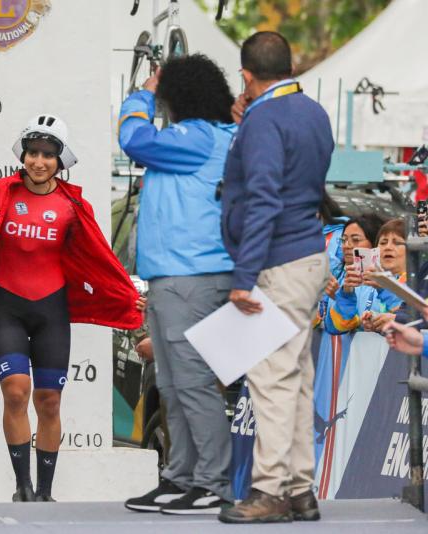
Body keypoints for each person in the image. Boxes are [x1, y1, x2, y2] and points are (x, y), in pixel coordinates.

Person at [0, 114, 143, 502]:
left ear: (61, 161)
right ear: (22, 155)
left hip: (51, 311)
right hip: (6, 307)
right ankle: (22, 487)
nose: (38, 161)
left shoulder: (72, 204)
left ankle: (45, 492)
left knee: (49, 400)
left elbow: (100, 257)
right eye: (32, 153)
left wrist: (126, 293)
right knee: (15, 392)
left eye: (47, 154)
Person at [216, 32, 334, 524]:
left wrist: (244, 276)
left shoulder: (265, 119)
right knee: (298, 376)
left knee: (271, 378)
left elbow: (264, 197)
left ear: (246, 76)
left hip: (277, 262)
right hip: (307, 253)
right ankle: (301, 489)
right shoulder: (314, 111)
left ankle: (268, 491)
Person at [118, 54, 236, 515]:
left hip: (192, 277)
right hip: (176, 277)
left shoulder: (199, 136)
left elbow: (133, 137)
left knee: (191, 383)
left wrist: (142, 93)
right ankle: (181, 476)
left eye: (166, 97)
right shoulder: (202, 138)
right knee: (172, 384)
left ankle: (212, 482)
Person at [325, 218, 405, 336]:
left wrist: (385, 287)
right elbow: (334, 328)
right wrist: (345, 295)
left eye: (397, 243)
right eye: (383, 242)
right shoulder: (353, 280)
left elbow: (413, 320)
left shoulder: (417, 283)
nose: (388, 247)